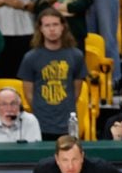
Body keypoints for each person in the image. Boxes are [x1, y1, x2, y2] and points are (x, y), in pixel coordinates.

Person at [17, 8, 86, 141]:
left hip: (67, 123)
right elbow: (28, 94)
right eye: (47, 25)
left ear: (63, 27)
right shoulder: (30, 57)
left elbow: (77, 91)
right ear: (40, 29)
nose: (52, 29)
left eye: (55, 24)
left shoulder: (76, 55)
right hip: (40, 123)